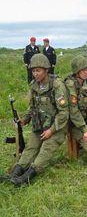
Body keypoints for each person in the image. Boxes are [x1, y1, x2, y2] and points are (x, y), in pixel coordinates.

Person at [7, 54, 69, 186]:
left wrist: (51, 131)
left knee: (45, 149)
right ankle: (16, 172)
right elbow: (33, 108)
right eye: (33, 71)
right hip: (40, 125)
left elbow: (64, 113)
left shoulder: (57, 85)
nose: (35, 74)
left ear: (46, 70)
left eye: (38, 70)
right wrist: (24, 120)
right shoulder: (34, 86)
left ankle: (27, 177)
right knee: (30, 148)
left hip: (57, 126)